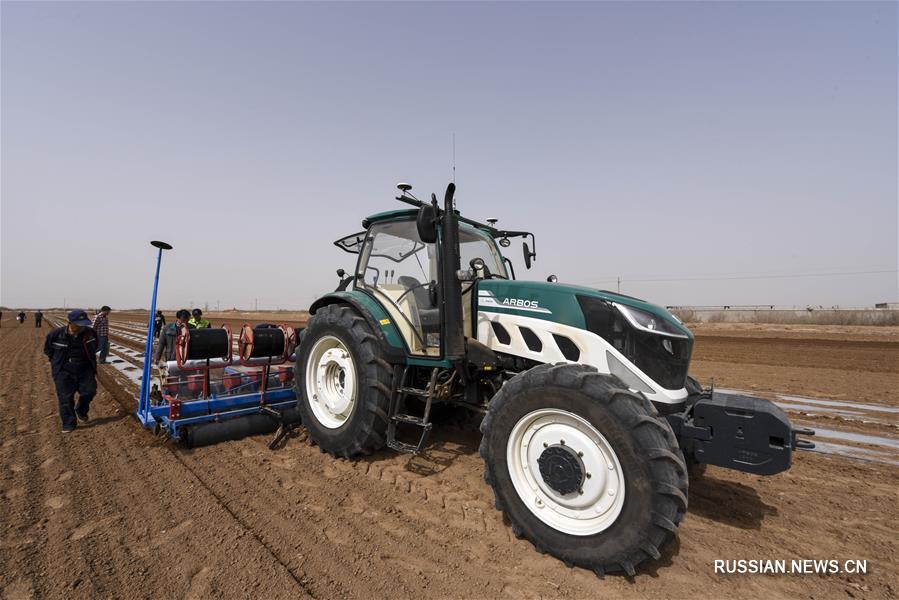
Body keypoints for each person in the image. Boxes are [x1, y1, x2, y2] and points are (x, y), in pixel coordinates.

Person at [43, 310, 98, 432]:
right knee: (65, 398)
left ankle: (81, 410)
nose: (82, 327)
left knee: (89, 391)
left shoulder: (90, 333)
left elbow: (95, 347)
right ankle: (69, 424)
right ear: (70, 322)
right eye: (79, 324)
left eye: (84, 324)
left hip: (85, 368)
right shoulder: (56, 334)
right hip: (64, 370)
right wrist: (57, 363)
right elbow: (48, 350)